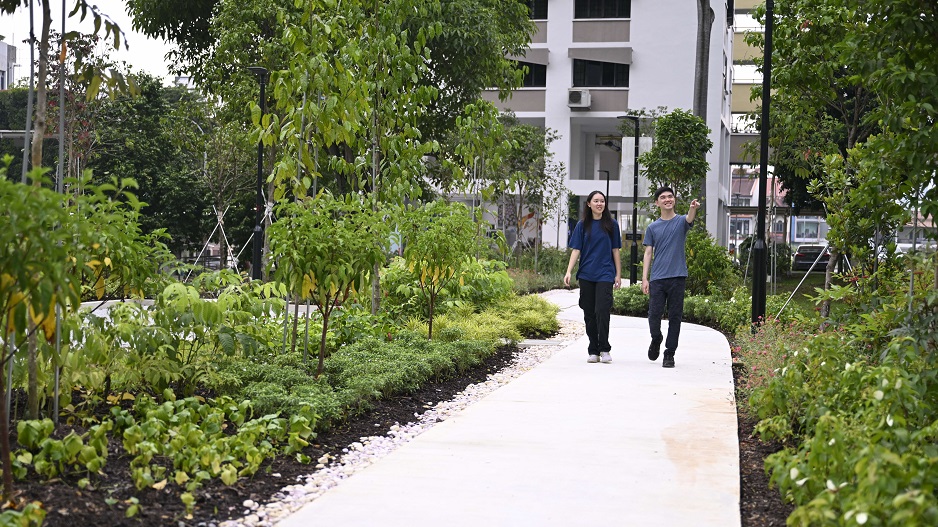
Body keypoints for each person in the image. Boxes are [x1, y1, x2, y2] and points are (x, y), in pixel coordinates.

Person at [641, 186, 700, 368]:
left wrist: (692, 208)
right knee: (654, 315)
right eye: (663, 197)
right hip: (658, 278)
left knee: (675, 316)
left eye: (670, 196)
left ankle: (669, 353)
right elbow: (648, 253)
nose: (667, 199)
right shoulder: (652, 227)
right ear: (657, 202)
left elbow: (690, 218)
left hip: (678, 277)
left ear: (674, 200)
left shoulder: (681, 221)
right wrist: (645, 278)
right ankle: (656, 338)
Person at [564, 191, 622, 364]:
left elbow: (615, 250)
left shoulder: (611, 224)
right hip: (587, 274)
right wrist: (568, 271)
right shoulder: (583, 225)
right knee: (589, 312)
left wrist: (618, 274)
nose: (599, 204)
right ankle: (593, 349)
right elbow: (576, 250)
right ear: (589, 204)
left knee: (602, 310)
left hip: (605, 273)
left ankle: (604, 348)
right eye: (596, 201)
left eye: (602, 201)